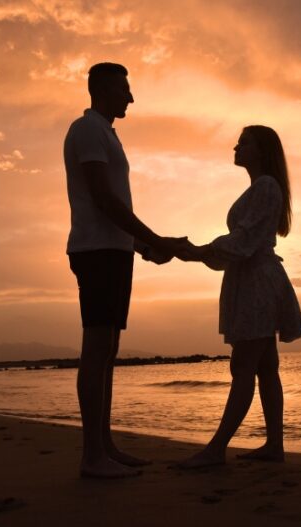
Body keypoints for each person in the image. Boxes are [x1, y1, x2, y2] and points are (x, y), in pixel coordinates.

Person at [64, 62, 186, 479]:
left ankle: (106, 446)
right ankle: (92, 457)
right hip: (96, 251)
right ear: (101, 90)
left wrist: (139, 245)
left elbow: (113, 204)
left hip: (115, 250)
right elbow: (102, 199)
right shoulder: (87, 130)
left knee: (108, 353)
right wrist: (153, 238)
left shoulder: (107, 134)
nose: (130, 97)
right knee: (96, 350)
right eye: (123, 89)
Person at [177, 125, 301, 468]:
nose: (236, 146)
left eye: (244, 142)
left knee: (244, 367)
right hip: (255, 279)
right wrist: (201, 253)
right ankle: (274, 446)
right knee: (265, 367)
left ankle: (216, 449)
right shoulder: (261, 187)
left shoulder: (265, 186)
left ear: (262, 150)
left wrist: (198, 252)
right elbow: (243, 242)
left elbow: (244, 241)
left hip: (256, 284)